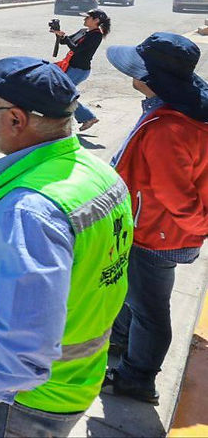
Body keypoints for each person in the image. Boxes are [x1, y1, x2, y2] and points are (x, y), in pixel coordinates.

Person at [0, 57, 133, 438]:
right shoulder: (97, 173)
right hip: (72, 380)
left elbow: (26, 335)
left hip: (15, 402)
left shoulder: (28, 211)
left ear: (15, 120)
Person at [103, 33, 208, 404]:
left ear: (151, 78)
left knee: (149, 309)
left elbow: (175, 196)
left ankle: (138, 377)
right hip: (157, 228)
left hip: (157, 235)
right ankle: (123, 344)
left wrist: (191, 229)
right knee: (135, 297)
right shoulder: (172, 107)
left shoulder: (169, 128)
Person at [49, 9, 111, 131]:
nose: (84, 19)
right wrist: (59, 34)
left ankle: (87, 117)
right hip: (71, 67)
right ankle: (83, 118)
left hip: (79, 70)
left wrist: (65, 37)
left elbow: (76, 49)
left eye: (87, 18)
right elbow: (65, 42)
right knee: (61, 93)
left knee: (64, 94)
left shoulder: (96, 35)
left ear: (96, 20)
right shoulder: (84, 32)